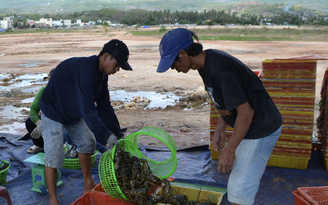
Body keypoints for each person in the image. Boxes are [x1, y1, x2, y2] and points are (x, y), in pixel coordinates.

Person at [157, 28, 282, 205]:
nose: (172, 68)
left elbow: (246, 113)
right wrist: (220, 129)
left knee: (240, 189)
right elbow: (226, 99)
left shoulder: (221, 70)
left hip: (261, 127)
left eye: (172, 62)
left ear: (183, 54)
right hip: (250, 125)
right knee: (239, 181)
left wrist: (229, 150)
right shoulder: (205, 64)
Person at [40, 39, 132, 205]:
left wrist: (116, 134)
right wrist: (105, 136)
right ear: (106, 56)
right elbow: (87, 109)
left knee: (88, 142)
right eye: (117, 64)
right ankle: (53, 199)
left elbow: (104, 106)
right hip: (53, 110)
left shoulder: (102, 76)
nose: (118, 69)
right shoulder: (85, 70)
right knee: (54, 155)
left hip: (72, 111)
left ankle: (88, 183)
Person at [25, 69, 113, 155]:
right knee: (29, 122)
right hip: (52, 120)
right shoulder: (44, 91)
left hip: (68, 122)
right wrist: (38, 122)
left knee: (72, 136)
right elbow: (33, 109)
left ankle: (103, 150)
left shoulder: (70, 93)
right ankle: (40, 145)